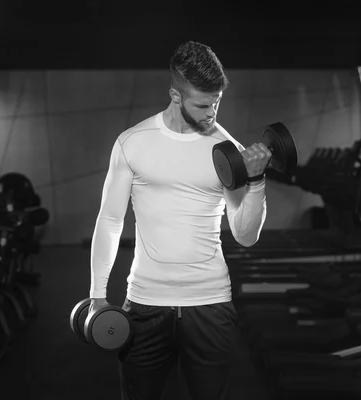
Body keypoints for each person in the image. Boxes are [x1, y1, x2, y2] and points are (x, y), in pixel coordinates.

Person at [87, 40, 271, 400]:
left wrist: (256, 181)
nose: (212, 113)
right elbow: (110, 220)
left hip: (210, 303)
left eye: (217, 102)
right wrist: (97, 295)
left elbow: (246, 236)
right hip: (145, 303)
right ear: (175, 95)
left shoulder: (226, 149)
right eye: (202, 104)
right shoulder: (133, 143)